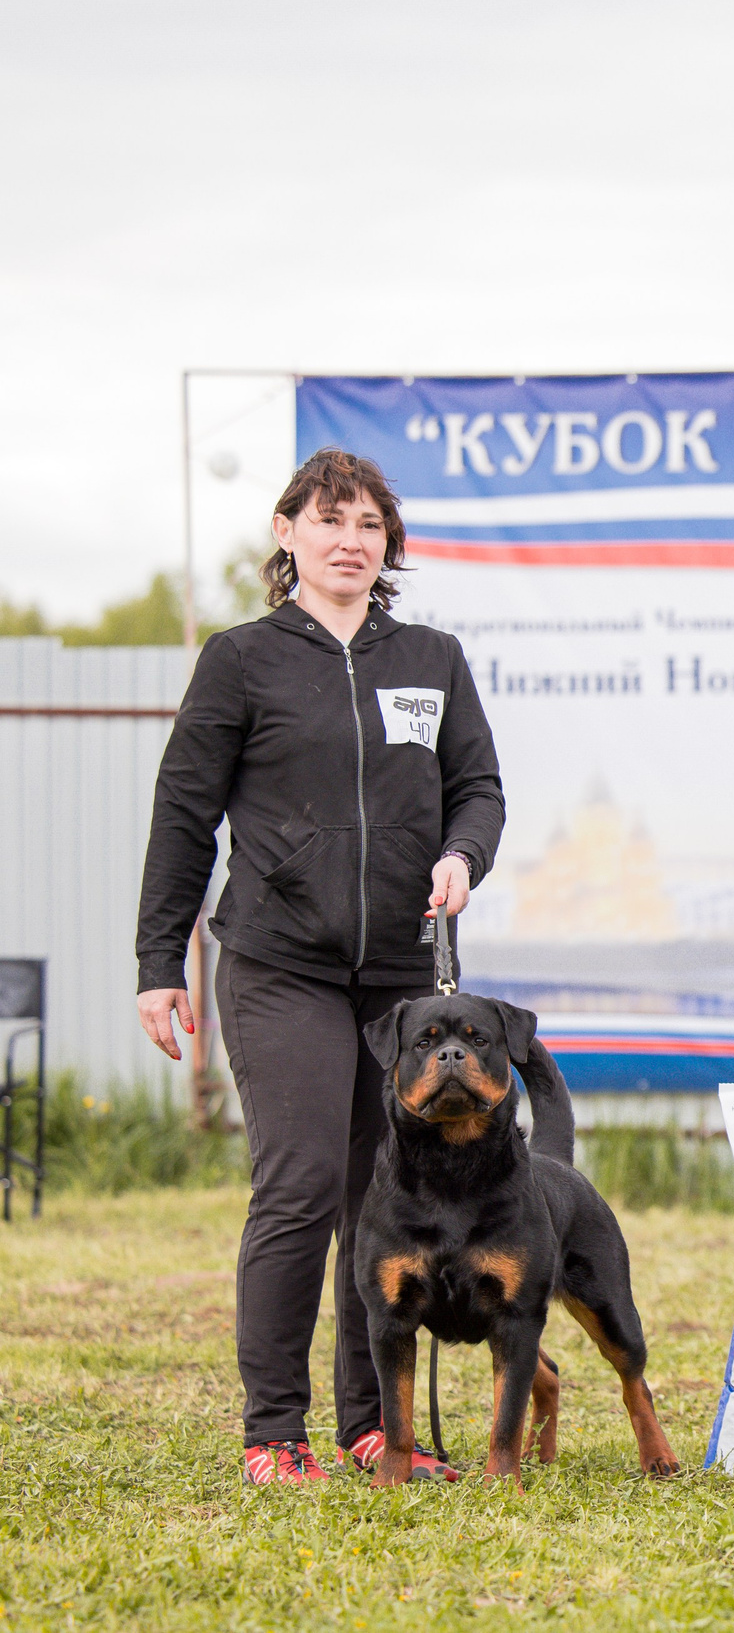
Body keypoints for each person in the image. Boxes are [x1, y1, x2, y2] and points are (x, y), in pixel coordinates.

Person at [135, 448, 504, 1486]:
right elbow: (183, 816)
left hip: (400, 977)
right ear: (287, 531)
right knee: (300, 1183)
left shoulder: (430, 655)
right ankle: (273, 1431)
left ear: (389, 544)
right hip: (277, 962)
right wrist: (159, 959)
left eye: (369, 525)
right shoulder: (241, 658)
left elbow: (478, 788)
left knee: (381, 1199)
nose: (350, 540)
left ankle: (372, 1424)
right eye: (329, 519)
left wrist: (460, 854)